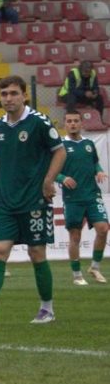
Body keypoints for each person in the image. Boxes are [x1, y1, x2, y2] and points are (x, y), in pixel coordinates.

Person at [0, 76, 66, 326]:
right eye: (4, 94)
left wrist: (48, 181)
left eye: (13, 93)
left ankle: (47, 308)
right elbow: (0, 159)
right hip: (6, 202)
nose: (8, 98)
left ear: (24, 95)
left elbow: (60, 151)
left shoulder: (39, 123)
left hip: (34, 200)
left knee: (36, 253)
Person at [59, 111, 109, 285]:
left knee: (103, 229)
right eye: (69, 121)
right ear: (64, 124)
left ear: (81, 123)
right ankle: (77, 274)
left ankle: (95, 267)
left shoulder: (88, 144)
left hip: (92, 194)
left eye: (76, 121)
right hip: (73, 198)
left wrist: (99, 170)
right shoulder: (60, 146)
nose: (73, 124)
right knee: (75, 235)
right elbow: (50, 170)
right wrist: (63, 178)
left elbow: (95, 162)